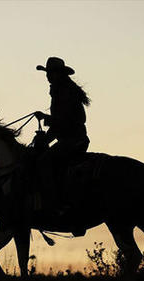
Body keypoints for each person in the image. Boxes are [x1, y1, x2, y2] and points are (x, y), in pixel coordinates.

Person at [33, 57, 91, 213]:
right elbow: (61, 123)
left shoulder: (65, 92)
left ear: (59, 74)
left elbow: (65, 121)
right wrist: (46, 136)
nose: (47, 76)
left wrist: (46, 120)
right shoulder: (63, 91)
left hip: (73, 140)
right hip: (73, 138)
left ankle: (56, 204)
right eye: (47, 73)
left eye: (50, 73)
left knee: (44, 162)